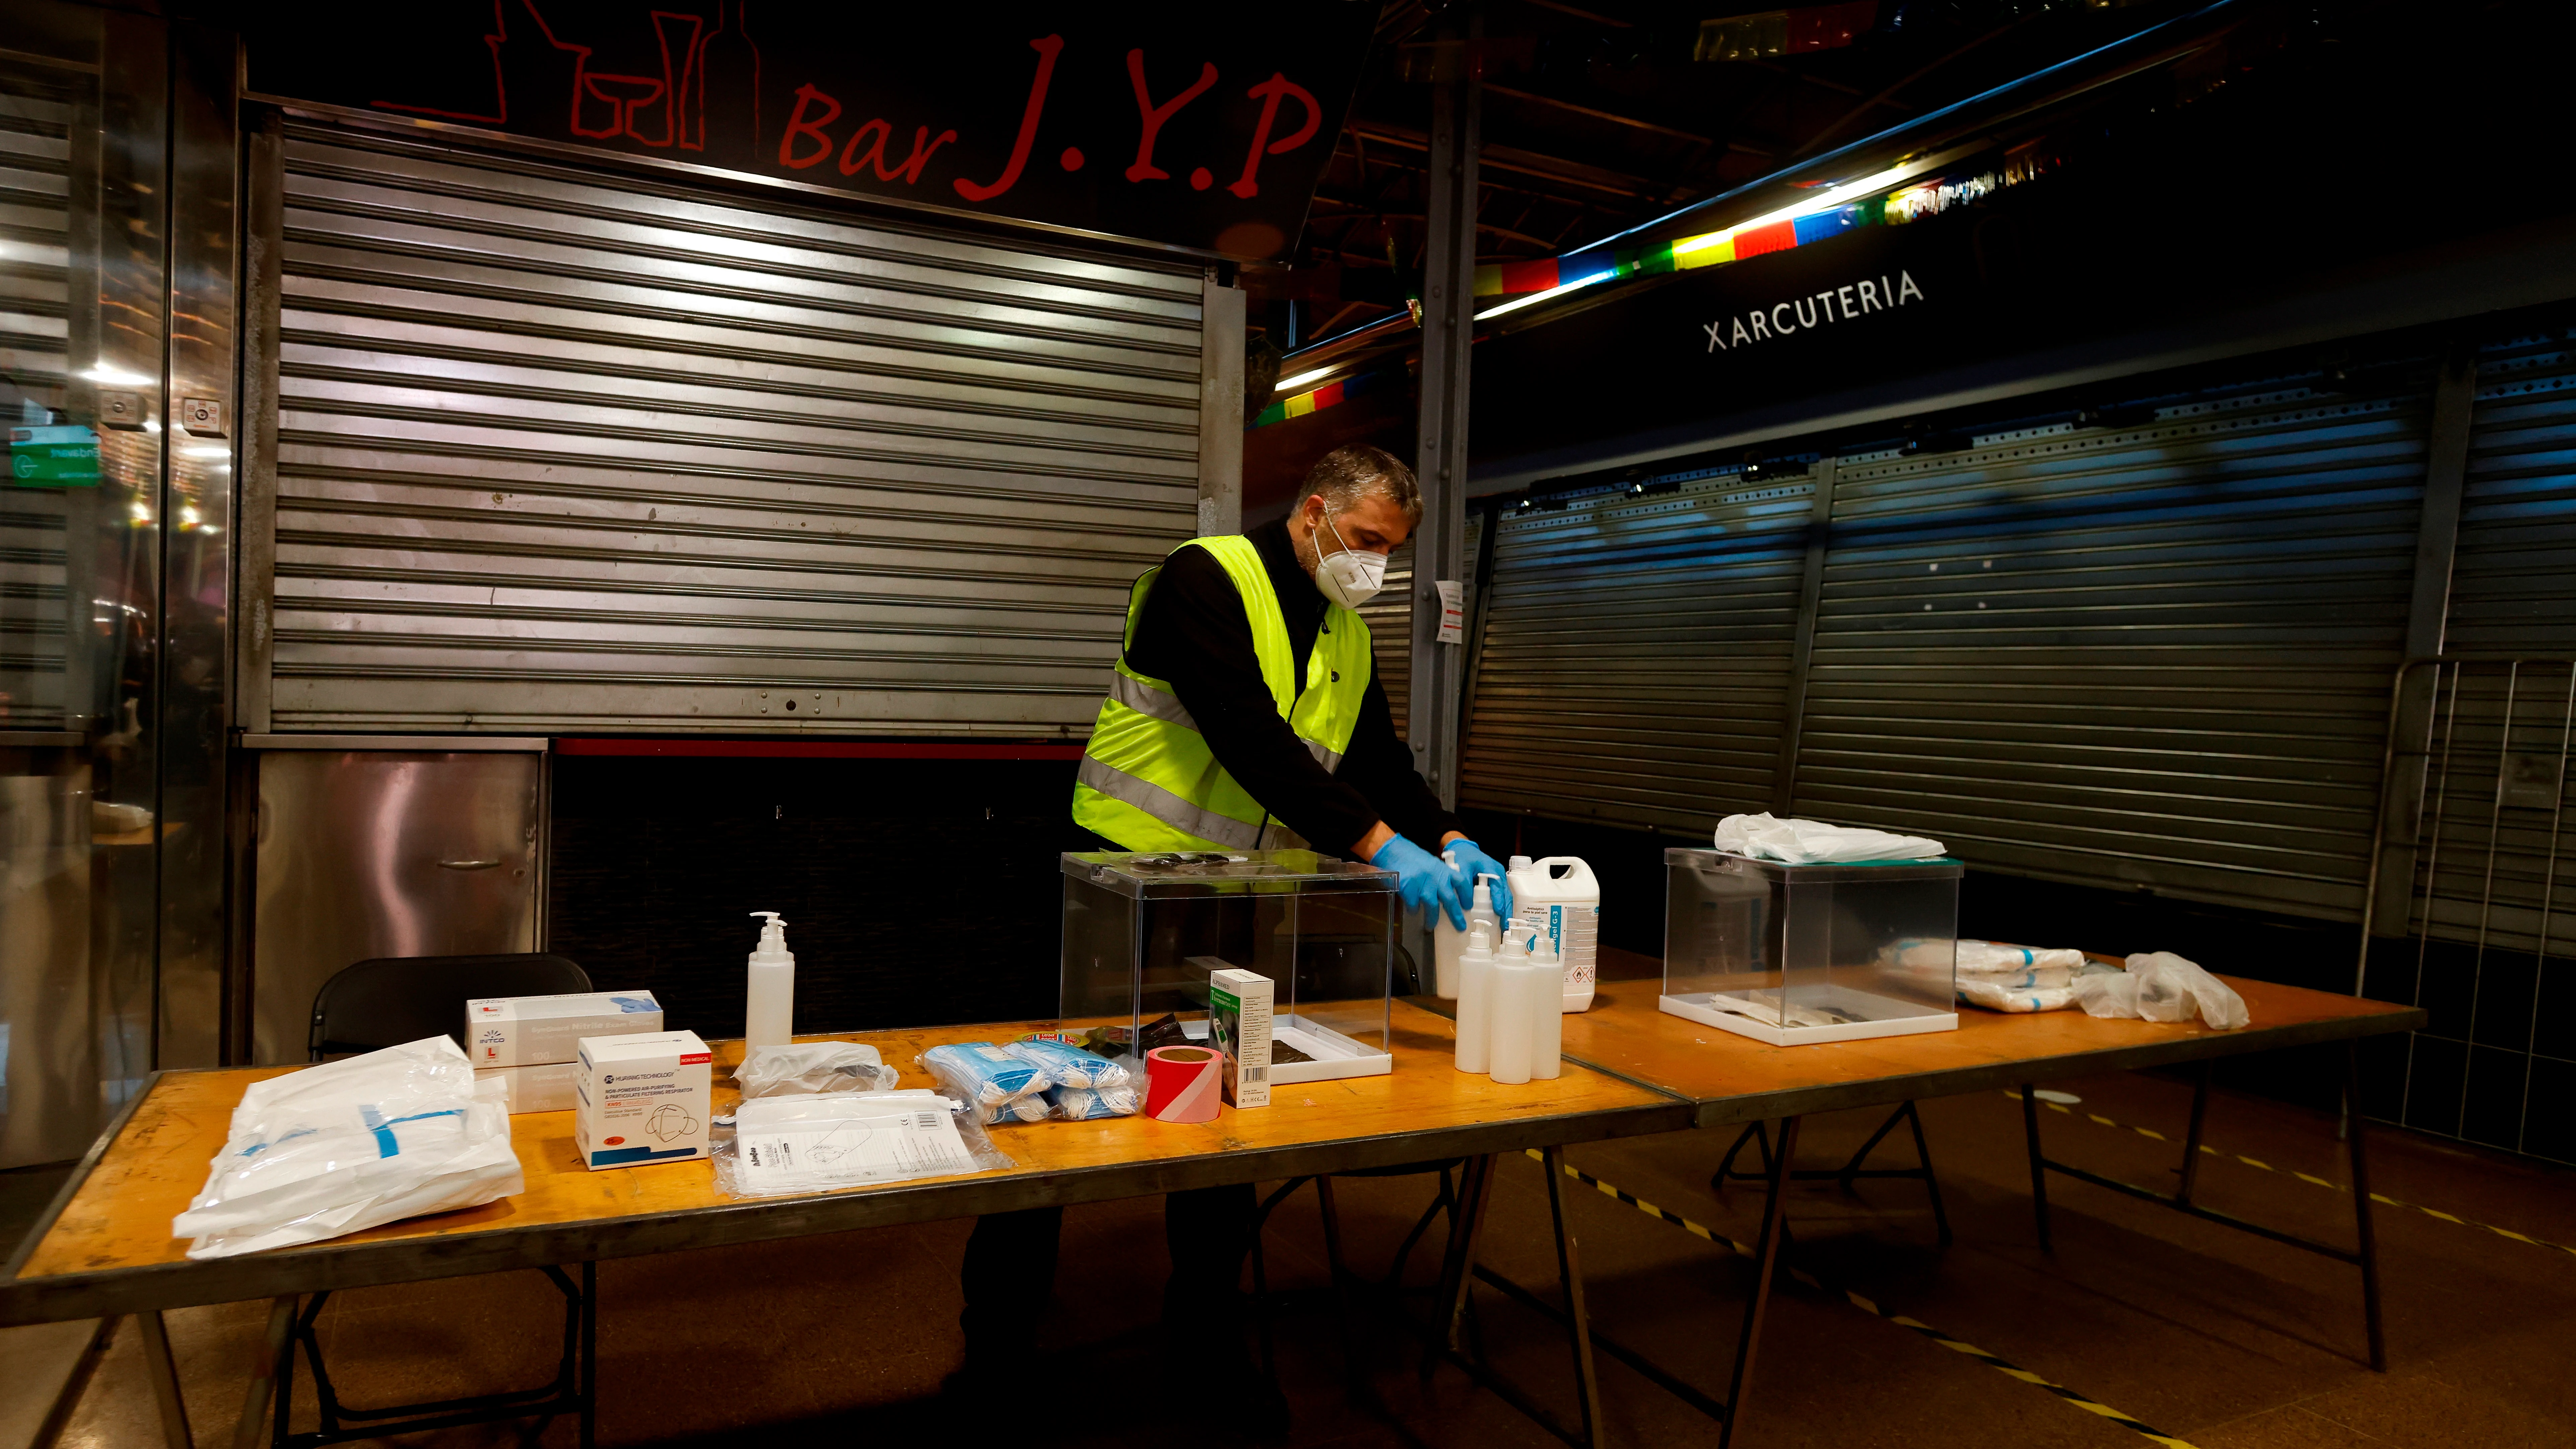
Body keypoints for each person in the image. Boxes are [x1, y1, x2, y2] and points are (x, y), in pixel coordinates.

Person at [950, 444, 1516, 1424]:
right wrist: (1382, 848)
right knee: (1047, 1113)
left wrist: (1453, 836)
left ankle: (1204, 1344)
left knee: (1223, 1116)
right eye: (1368, 541)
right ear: (1314, 514)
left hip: (1232, 903)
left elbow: (1377, 756)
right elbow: (1246, 735)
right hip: (1112, 891)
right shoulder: (1202, 578)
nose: (1375, 566)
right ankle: (996, 1355)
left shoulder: (1344, 631)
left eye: (1393, 549)